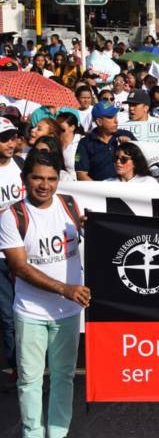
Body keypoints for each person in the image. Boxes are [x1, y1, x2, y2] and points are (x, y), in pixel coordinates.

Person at [0, 150, 90, 438]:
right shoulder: (12, 215)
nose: (44, 185)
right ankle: (33, 433)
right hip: (31, 312)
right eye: (37, 177)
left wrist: (95, 229)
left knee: (64, 378)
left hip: (68, 313)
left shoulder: (71, 205)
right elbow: (19, 267)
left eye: (51, 179)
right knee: (29, 380)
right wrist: (65, 289)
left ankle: (58, 433)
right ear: (25, 179)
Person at [0, 117, 23, 391]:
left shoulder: (20, 165)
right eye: (4, 138)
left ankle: (29, 364)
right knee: (8, 316)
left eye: (12, 137)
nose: (9, 143)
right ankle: (18, 367)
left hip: (24, 251)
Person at [74, 101, 136, 181]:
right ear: (99, 122)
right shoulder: (85, 143)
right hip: (99, 191)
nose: (116, 121)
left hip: (128, 189)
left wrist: (131, 145)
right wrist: (101, 192)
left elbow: (142, 163)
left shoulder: (127, 135)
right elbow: (81, 175)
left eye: (116, 116)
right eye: (111, 117)